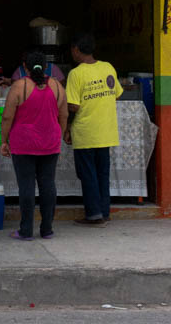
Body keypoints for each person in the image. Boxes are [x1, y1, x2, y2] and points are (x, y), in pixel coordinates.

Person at [0, 51, 68, 240]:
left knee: (26, 185)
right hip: (50, 142)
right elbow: (64, 115)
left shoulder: (18, 86)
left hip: (23, 142)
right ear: (46, 66)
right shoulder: (57, 86)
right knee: (48, 184)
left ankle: (26, 230)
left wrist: (3, 141)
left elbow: (7, 117)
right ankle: (47, 230)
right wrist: (58, 135)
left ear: (25, 67)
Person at [65, 33, 123, 227]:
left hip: (86, 132)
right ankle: (104, 212)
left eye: (72, 49)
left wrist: (67, 128)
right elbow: (116, 95)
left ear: (76, 50)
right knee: (102, 174)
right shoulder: (108, 68)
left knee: (87, 174)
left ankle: (94, 215)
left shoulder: (76, 74)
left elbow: (73, 106)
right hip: (106, 131)